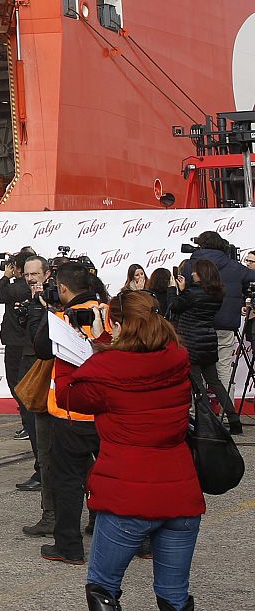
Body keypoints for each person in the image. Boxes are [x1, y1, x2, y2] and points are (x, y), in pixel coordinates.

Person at [60, 291, 204, 611]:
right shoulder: (178, 357)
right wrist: (107, 343)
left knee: (103, 589)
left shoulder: (108, 368)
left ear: (119, 324)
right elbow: (138, 362)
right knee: (174, 596)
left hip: (127, 496)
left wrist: (72, 351)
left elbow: (69, 395)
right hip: (181, 494)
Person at [28, 259, 112, 565]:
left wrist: (46, 314)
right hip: (108, 413)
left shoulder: (63, 317)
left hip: (71, 414)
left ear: (62, 288)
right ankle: (136, 540)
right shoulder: (108, 312)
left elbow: (40, 348)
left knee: (68, 482)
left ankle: (68, 545)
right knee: (115, 476)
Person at [0, 251, 43, 488]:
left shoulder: (21, 288)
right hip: (23, 347)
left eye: (35, 274)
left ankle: (41, 467)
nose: (30, 278)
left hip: (20, 348)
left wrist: (6, 276)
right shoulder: (30, 289)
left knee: (23, 396)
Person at [169, 258, 242, 434]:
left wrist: (173, 289)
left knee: (197, 386)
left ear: (201, 274)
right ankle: (234, 420)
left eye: (195, 271)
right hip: (208, 341)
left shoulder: (192, 293)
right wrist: (185, 291)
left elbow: (174, 307)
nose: (192, 273)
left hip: (191, 343)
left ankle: (207, 422)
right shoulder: (217, 293)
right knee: (215, 382)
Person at [185, 231, 255, 394]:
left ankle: (200, 416)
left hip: (197, 328)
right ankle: (228, 414)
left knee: (196, 373)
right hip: (225, 326)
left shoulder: (190, 265)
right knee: (224, 371)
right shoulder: (234, 266)